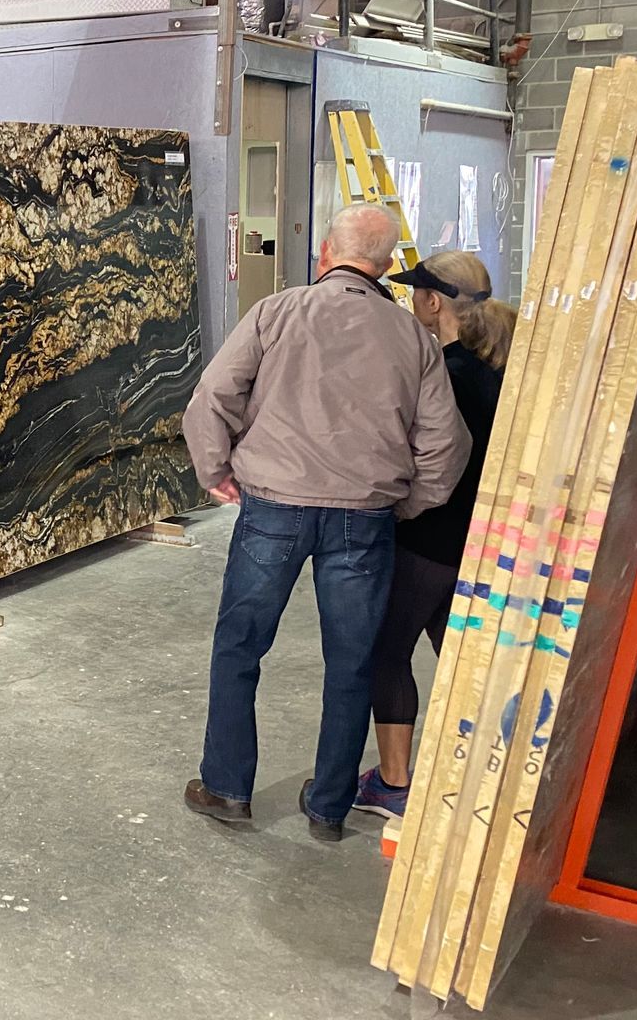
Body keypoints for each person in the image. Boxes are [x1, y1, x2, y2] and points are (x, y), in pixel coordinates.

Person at [182, 203, 469, 841]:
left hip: (273, 510)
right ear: (389, 266)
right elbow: (446, 446)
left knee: (239, 647)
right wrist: (410, 502)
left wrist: (215, 471)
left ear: (324, 255)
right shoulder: (412, 339)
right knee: (354, 660)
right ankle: (330, 807)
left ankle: (227, 787)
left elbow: (212, 398)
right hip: (364, 520)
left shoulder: (276, 312)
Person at [354, 252, 514, 820]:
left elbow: (424, 459)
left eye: (414, 293)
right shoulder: (501, 367)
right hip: (481, 539)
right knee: (457, 657)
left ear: (432, 301)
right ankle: (477, 774)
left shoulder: (443, 374)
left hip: (431, 539)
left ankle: (392, 784)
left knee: (386, 652)